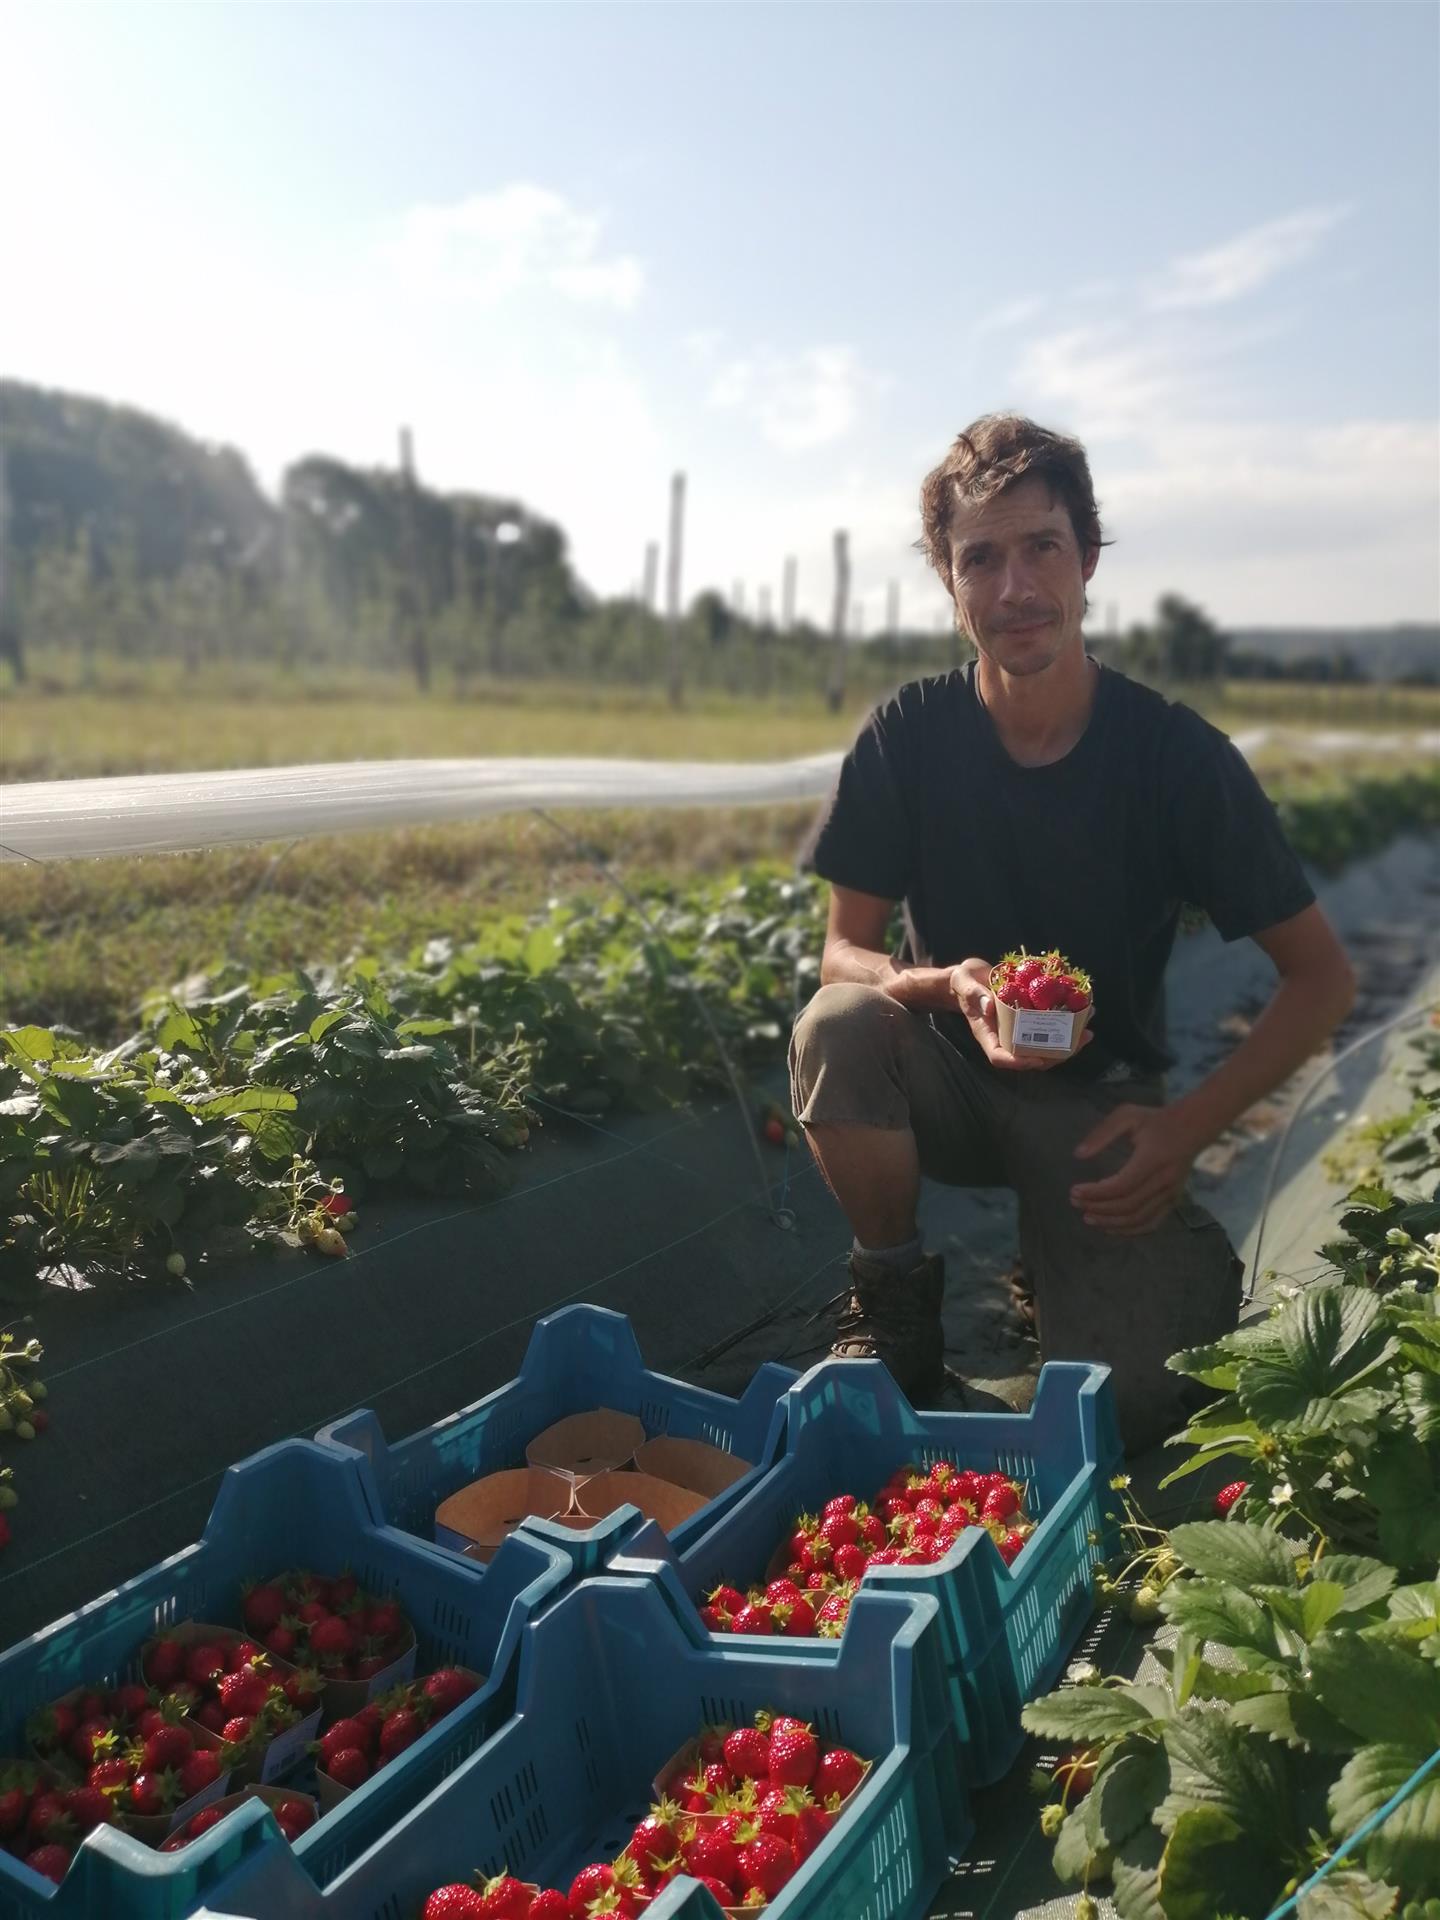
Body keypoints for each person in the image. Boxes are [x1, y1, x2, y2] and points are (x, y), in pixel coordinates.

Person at [789, 413, 1356, 1452]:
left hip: (1100, 1109)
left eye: (1041, 547)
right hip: (946, 1076)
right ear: (951, 585)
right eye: (981, 558)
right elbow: (843, 955)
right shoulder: (907, 736)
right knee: (837, 1024)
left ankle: (1076, 1263)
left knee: (1132, 1409)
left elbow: (1320, 978)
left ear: (1088, 560)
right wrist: (943, 984)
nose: (1014, 588)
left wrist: (1186, 1130)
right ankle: (896, 1305)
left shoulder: (1174, 758)